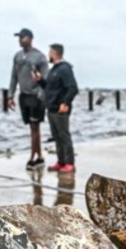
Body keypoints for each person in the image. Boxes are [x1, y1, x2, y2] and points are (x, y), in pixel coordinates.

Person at [32, 43, 79, 173]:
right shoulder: (54, 69)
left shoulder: (65, 69)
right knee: (56, 137)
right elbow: (50, 88)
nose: (48, 55)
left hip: (60, 109)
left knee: (64, 136)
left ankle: (69, 163)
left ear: (55, 53)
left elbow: (73, 88)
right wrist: (40, 80)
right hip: (51, 108)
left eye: (50, 52)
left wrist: (65, 103)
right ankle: (61, 162)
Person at [8, 28, 49, 170]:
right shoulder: (17, 56)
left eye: (23, 37)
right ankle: (40, 156)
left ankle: (33, 157)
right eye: (19, 37)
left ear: (31, 38)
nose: (20, 40)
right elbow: (14, 76)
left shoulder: (40, 57)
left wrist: (40, 94)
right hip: (23, 96)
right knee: (32, 128)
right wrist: (10, 95)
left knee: (35, 127)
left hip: (35, 96)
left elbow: (45, 79)